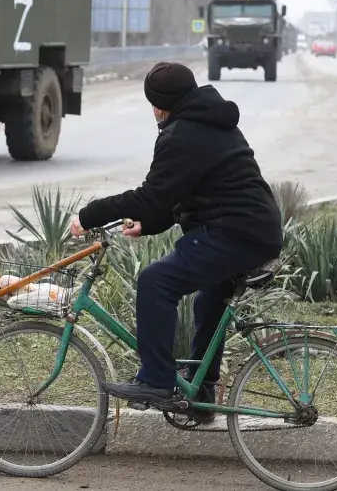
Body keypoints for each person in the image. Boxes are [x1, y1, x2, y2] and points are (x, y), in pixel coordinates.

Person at [70, 61, 283, 418]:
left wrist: (89, 214)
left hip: (234, 232)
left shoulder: (183, 133)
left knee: (156, 281)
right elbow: (180, 193)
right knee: (208, 302)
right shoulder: (209, 122)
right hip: (250, 229)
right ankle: (201, 394)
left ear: (158, 105)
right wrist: (148, 224)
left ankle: (156, 379)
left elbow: (151, 196)